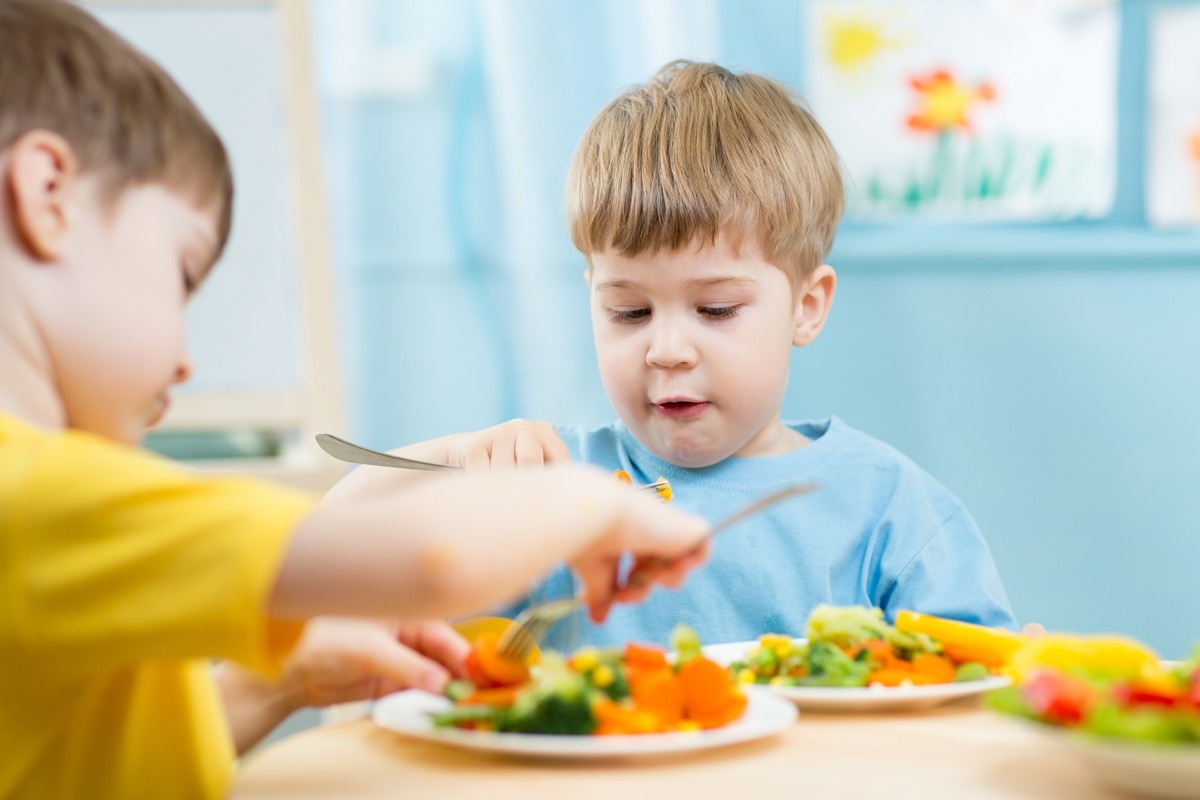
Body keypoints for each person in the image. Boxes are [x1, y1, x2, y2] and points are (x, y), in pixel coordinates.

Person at [0, 3, 712, 798]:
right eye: (182, 273)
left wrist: (277, 682)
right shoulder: (38, 494)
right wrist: (582, 504)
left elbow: (103, 758)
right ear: (47, 194)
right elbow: (431, 561)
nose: (186, 357)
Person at [334, 60, 1018, 650]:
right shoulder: (557, 486)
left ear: (806, 307)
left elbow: (972, 697)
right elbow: (329, 540)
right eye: (627, 311)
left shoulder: (886, 505)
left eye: (715, 310)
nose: (665, 350)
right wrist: (459, 459)